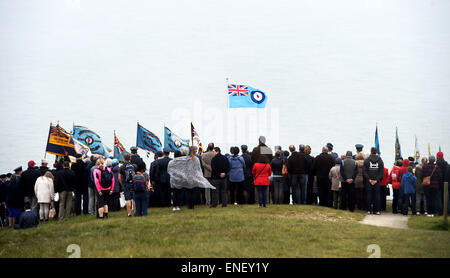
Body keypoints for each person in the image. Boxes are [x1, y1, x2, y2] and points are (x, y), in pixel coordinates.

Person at [363, 147, 384, 215]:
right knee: (377, 196)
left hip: (369, 181)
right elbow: (381, 172)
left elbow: (364, 171)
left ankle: (368, 210)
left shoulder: (367, 160)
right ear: (376, 152)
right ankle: (377, 210)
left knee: (368, 195)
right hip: (376, 181)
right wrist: (377, 180)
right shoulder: (380, 160)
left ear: (371, 152)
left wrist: (369, 179)